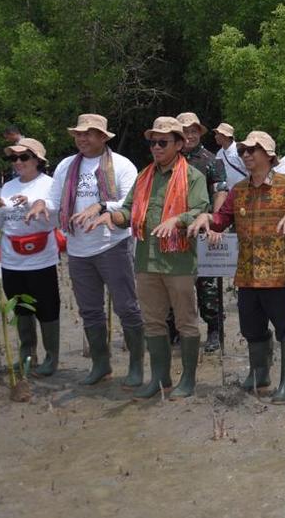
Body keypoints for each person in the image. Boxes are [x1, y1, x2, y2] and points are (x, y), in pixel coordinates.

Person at [189, 131, 285, 402]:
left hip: (280, 276)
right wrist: (205, 218)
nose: (246, 154)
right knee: (252, 329)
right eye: (244, 150)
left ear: (269, 156)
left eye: (252, 150)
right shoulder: (239, 190)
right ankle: (260, 374)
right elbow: (222, 220)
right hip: (247, 275)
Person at [90, 117, 210, 399]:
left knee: (186, 321)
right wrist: (112, 217)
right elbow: (129, 211)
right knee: (153, 322)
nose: (156, 147)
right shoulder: (144, 176)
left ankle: (188, 380)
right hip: (146, 261)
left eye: (162, 142)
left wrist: (177, 221)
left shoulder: (193, 177)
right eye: (152, 141)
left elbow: (200, 210)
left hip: (178, 261)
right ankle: (160, 378)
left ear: (179, 144)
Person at [26, 113, 143, 387]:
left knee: (127, 307)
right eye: (78, 133)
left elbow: (132, 203)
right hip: (78, 249)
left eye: (88, 133)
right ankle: (101, 364)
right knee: (89, 310)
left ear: (103, 137)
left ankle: (136, 365)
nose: (82, 138)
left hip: (113, 244)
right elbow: (55, 202)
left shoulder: (123, 165)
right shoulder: (67, 166)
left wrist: (102, 206)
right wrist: (43, 204)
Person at [0, 138, 61, 376]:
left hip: (41, 256)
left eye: (23, 157)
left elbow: (56, 219)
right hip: (11, 258)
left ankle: (51, 358)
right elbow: (0, 223)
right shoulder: (8, 187)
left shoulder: (50, 185)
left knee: (47, 308)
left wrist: (32, 202)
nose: (17, 162)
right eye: (13, 158)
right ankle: (27, 355)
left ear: (37, 160)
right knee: (21, 308)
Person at [176, 112, 229, 353]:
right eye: (185, 130)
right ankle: (175, 330)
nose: (190, 134)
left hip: (203, 229)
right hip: (174, 231)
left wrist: (216, 222)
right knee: (175, 284)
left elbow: (220, 192)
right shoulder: (169, 158)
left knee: (207, 285)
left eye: (194, 130)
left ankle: (214, 330)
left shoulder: (211, 160)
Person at [212, 123, 247, 190]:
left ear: (226, 136)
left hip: (244, 190)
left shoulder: (239, 150)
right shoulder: (219, 154)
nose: (215, 136)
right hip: (229, 193)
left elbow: (249, 170)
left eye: (218, 134)